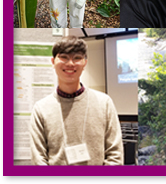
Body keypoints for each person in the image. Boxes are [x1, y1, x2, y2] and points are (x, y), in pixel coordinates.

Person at [30, 36, 123, 165]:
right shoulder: (41, 108)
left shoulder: (104, 103)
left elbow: (115, 155)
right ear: (53, 61)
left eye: (77, 58)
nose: (70, 63)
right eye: (64, 57)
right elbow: (38, 159)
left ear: (85, 62)